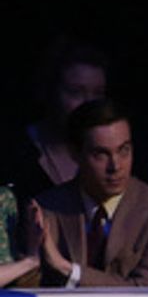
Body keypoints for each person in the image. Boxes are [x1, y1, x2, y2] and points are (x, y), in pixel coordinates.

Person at [32, 99, 148, 288]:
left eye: (124, 150)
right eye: (101, 154)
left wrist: (70, 271)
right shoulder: (46, 210)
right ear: (75, 154)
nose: (116, 166)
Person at [1, 38, 108, 207]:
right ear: (49, 92)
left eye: (98, 93)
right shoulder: (15, 155)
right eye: (76, 92)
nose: (89, 105)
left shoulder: (112, 156)